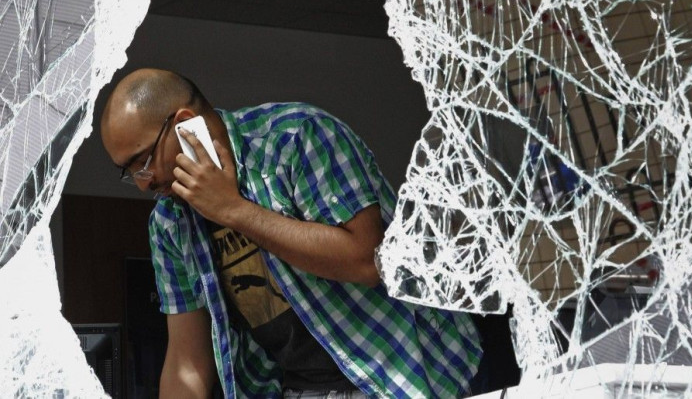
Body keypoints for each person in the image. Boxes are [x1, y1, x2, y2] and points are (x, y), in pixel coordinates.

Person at [100, 68, 482, 398]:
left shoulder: (296, 138)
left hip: (405, 374)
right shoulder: (169, 222)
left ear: (185, 124)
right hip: (301, 387)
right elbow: (188, 360)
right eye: (128, 172)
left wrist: (233, 210)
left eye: (144, 162)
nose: (143, 183)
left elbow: (367, 259)